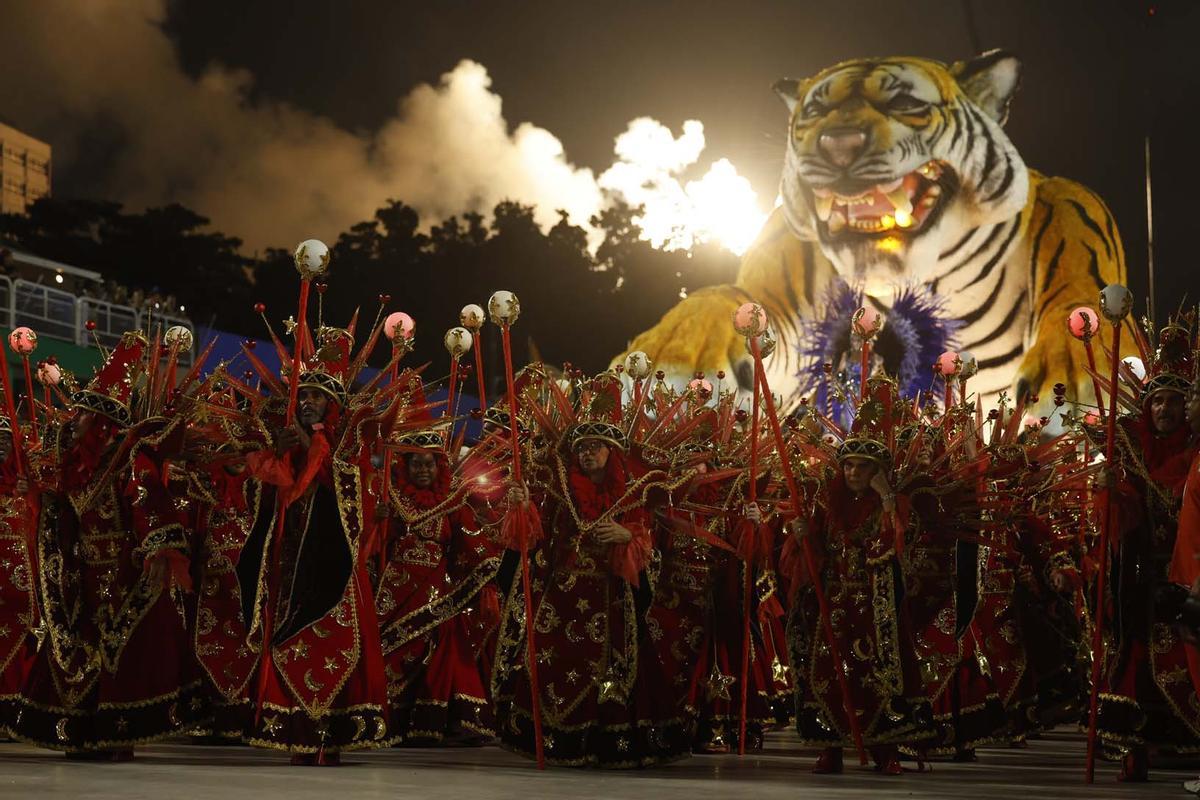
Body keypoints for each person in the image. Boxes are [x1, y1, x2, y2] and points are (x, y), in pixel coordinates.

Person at [13, 332, 206, 757]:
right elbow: (58, 511)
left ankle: (117, 734)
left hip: (123, 569)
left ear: (101, 424)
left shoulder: (126, 460)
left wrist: (160, 548)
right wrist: (37, 493)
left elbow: (148, 499)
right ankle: (80, 731)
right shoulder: (73, 466)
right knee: (76, 649)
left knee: (121, 652)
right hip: (83, 571)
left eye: (81, 416)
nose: (72, 420)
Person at [492, 373, 690, 767]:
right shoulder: (557, 490)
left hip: (609, 598)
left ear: (612, 453)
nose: (588, 453)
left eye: (596, 447)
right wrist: (522, 504)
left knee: (612, 672)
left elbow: (649, 549)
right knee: (552, 666)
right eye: (582, 447)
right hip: (561, 601)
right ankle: (555, 740)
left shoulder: (632, 496)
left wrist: (625, 537)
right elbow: (534, 536)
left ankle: (604, 742)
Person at [239, 326, 389, 764]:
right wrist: (280, 456)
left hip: (334, 566)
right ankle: (295, 729)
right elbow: (262, 501)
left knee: (331, 640)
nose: (307, 402)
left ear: (333, 404)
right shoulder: (281, 437)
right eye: (301, 395)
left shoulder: (347, 442)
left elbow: (353, 497)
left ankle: (332, 732)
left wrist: (313, 453)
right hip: (290, 560)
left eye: (316, 396)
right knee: (286, 638)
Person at [783, 379, 935, 775]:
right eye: (847, 464)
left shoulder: (893, 503)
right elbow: (814, 549)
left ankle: (886, 749)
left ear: (877, 470)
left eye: (861, 466)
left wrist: (886, 496)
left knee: (881, 672)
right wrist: (802, 534)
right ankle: (831, 747)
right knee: (828, 670)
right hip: (833, 601)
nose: (852, 472)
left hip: (876, 604)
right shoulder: (826, 501)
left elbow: (896, 542)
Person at [1095, 322, 1200, 781]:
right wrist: (1110, 494)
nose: (1165, 409)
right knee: (1135, 659)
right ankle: (1133, 754)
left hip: (1194, 578)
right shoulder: (1133, 454)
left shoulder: (1197, 456)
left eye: (1174, 400)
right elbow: (1124, 522)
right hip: (1144, 576)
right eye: (1156, 400)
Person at [0, 419, 36, 735]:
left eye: (5, 439)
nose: (0, 445)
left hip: (21, 586)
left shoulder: (27, 485)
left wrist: (33, 494)